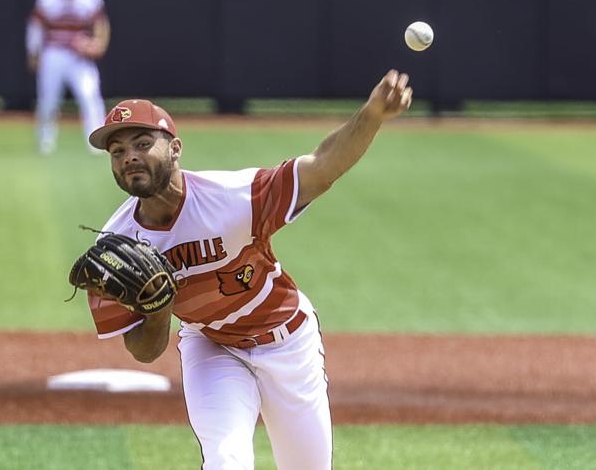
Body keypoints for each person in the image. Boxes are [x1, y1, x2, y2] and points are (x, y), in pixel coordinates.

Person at [84, 70, 412, 469]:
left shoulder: (232, 198)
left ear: (175, 149)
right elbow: (144, 351)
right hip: (213, 347)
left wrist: (372, 114)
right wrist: (158, 309)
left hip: (289, 342)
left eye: (142, 143)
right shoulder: (115, 250)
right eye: (117, 151)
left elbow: (322, 167)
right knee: (226, 460)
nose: (129, 157)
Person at [26, 0, 109, 155]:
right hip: (54, 53)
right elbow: (36, 28)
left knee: (90, 96)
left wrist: (97, 44)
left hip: (79, 57)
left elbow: (101, 26)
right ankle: (45, 142)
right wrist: (34, 53)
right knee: (48, 100)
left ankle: (97, 143)